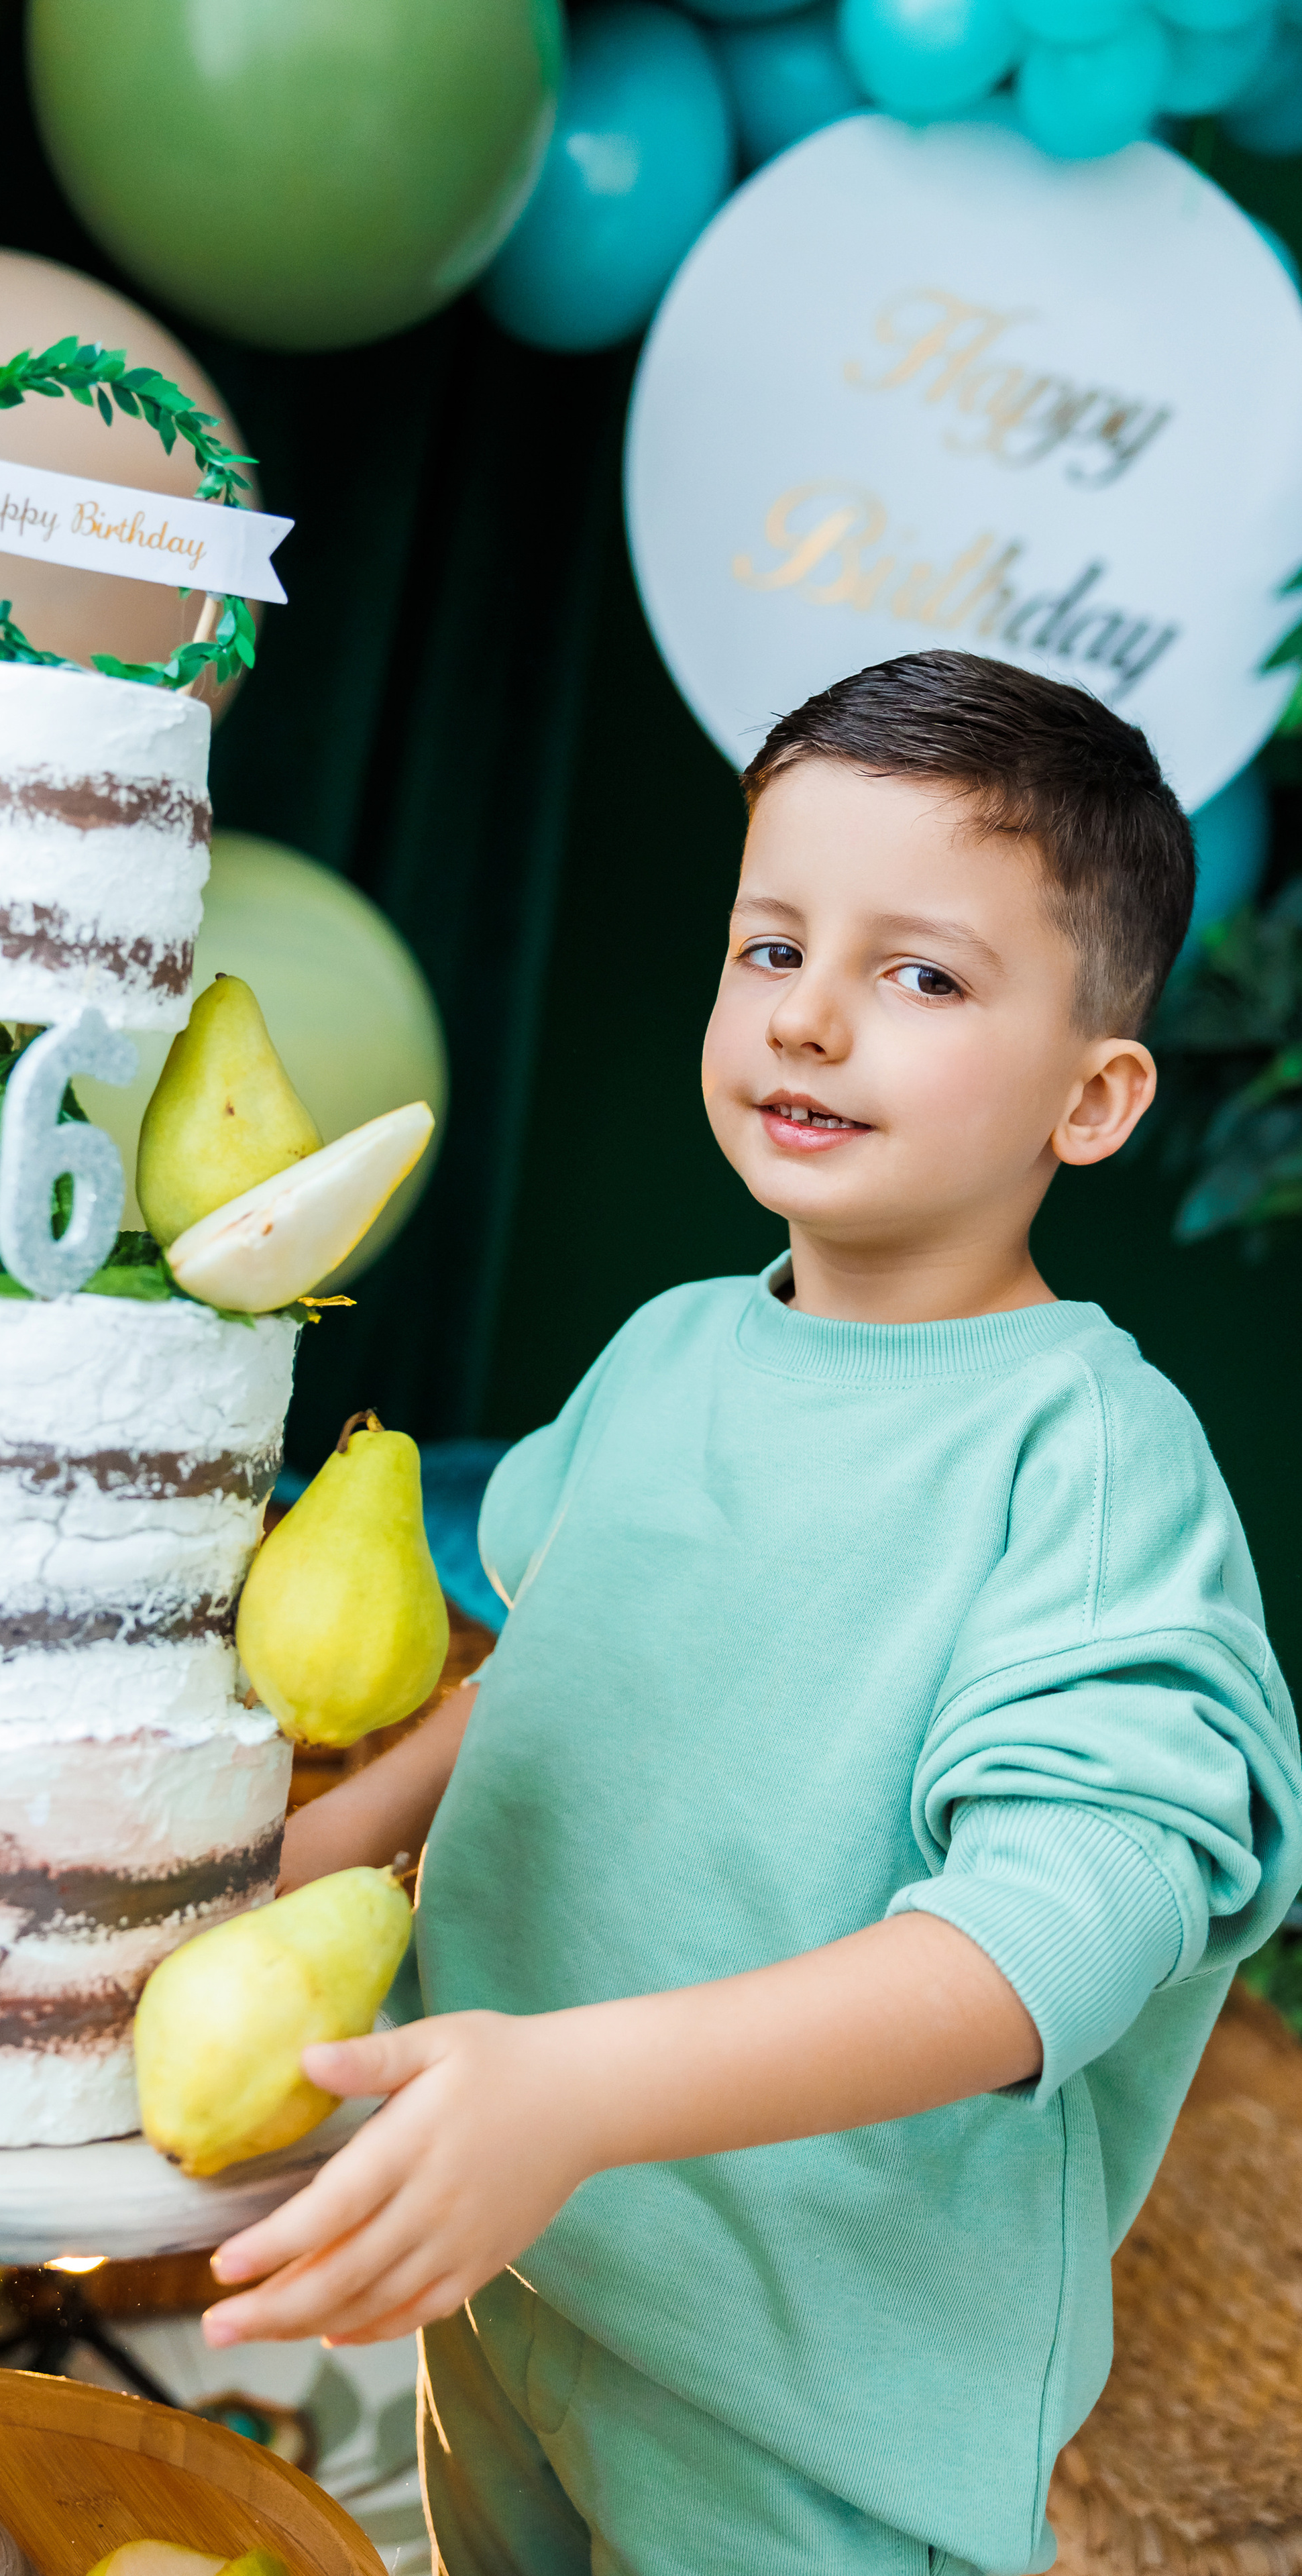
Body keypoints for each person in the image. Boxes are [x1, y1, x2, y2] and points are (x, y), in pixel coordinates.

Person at [203, 650, 1302, 2576]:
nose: (807, 1017)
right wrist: (321, 1850)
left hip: (804, 2420)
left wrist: (577, 2092)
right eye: (772, 947)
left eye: (922, 976)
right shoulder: (669, 1351)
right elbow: (557, 1676)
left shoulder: (1086, 1464)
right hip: (527, 2281)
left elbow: (1048, 1941)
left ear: (1095, 1096)